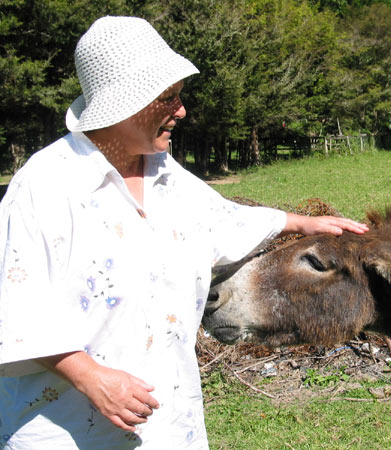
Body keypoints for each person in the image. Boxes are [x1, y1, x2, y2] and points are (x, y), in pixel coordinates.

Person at [0, 16, 368, 449]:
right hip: (68, 429)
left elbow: (222, 218)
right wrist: (90, 376)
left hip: (170, 425)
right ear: (124, 103)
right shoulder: (45, 186)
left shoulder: (165, 174)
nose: (182, 110)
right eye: (167, 98)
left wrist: (300, 222)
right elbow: (15, 308)